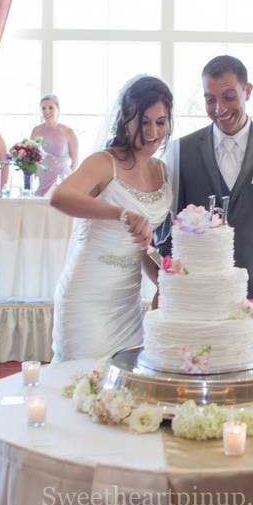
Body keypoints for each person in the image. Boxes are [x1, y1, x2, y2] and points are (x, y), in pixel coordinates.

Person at [160, 55, 253, 344]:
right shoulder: (183, 150)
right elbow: (171, 233)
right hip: (201, 297)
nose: (219, 109)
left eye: (228, 96)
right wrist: (165, 288)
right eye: (209, 99)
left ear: (247, 91)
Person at [49, 76, 173, 362]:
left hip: (127, 301)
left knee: (122, 386)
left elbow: (142, 245)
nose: (153, 131)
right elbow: (59, 196)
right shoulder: (105, 162)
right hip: (87, 296)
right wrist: (121, 213)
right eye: (144, 121)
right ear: (124, 119)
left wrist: (163, 281)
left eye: (160, 121)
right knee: (84, 382)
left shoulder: (163, 172)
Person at [31, 94, 78, 197]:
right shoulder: (36, 131)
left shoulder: (68, 132)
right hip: (41, 180)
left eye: (51, 108)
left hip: (61, 181)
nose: (46, 111)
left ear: (58, 109)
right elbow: (31, 158)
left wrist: (65, 179)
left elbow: (75, 162)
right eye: (43, 108)